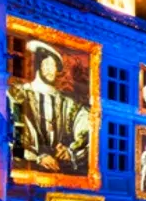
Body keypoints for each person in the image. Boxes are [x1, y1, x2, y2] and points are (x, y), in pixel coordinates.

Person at [9, 41, 90, 175]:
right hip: (28, 170)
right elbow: (15, 133)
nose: (50, 69)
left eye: (53, 66)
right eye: (46, 64)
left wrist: (70, 152)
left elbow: (86, 130)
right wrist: (37, 157)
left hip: (61, 172)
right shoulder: (18, 95)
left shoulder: (68, 102)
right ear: (38, 66)